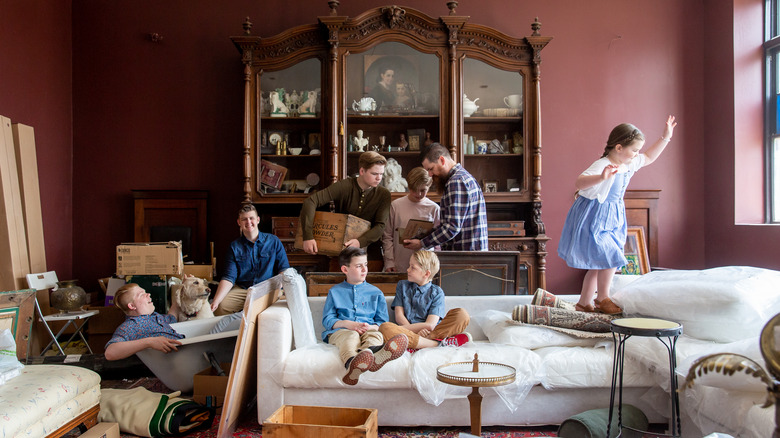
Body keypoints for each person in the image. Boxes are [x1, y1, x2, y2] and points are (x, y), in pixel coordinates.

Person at [558, 116, 677, 314]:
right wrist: (601, 177)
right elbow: (579, 183)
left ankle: (584, 302)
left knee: (599, 263)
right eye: (634, 150)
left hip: (613, 216)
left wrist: (665, 137)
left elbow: (648, 157)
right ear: (619, 147)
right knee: (611, 256)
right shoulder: (602, 164)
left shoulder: (628, 163)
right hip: (595, 217)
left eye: (637, 150)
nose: (636, 154)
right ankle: (603, 298)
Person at [322, 247, 409, 385]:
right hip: (342, 331)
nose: (364, 269)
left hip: (368, 329)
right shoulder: (334, 292)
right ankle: (351, 364)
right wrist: (347, 324)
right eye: (358, 266)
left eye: (366, 265)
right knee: (351, 336)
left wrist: (372, 327)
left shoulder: (376, 293)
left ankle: (371, 355)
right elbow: (327, 320)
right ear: (345, 269)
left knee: (376, 336)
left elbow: (382, 322)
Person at [299, 151, 391, 261]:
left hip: (371, 255)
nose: (379, 178)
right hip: (341, 252)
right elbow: (310, 202)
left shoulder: (384, 194)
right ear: (362, 171)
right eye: (374, 174)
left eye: (381, 174)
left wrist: (359, 242)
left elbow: (380, 226)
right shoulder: (344, 186)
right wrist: (308, 237)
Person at [404, 143, 488, 251]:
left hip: (464, 256)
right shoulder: (464, 177)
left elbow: (451, 227)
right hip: (472, 254)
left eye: (431, 169)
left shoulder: (456, 182)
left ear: (442, 160)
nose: (429, 174)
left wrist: (422, 243)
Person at [379, 250, 471, 350]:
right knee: (385, 328)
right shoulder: (402, 285)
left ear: (426, 273)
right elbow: (399, 317)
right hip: (407, 330)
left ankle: (416, 342)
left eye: (413, 267)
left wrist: (425, 332)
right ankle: (436, 344)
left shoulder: (437, 292)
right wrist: (412, 333)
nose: (408, 270)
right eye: (409, 266)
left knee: (462, 314)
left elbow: (430, 325)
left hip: (431, 332)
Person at [211, 204, 290, 315]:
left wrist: (282, 289)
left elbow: (284, 270)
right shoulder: (234, 246)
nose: (248, 222)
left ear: (257, 220)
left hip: (267, 289)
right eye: (244, 219)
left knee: (262, 311)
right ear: (239, 222)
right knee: (221, 308)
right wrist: (216, 301)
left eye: (251, 218)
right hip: (243, 290)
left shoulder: (273, 241)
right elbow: (229, 277)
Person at [104, 283, 184, 360]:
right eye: (142, 294)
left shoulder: (155, 317)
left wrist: (183, 287)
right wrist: (150, 342)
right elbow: (110, 353)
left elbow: (172, 316)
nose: (148, 294)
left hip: (184, 351)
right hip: (173, 360)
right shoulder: (130, 326)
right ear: (132, 306)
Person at [382, 167, 440, 272]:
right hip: (399, 265)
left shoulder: (434, 208)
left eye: (423, 190)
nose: (418, 194)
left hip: (425, 268)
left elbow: (438, 242)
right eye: (414, 190)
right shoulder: (396, 205)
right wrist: (389, 261)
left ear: (429, 186)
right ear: (408, 186)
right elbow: (387, 236)